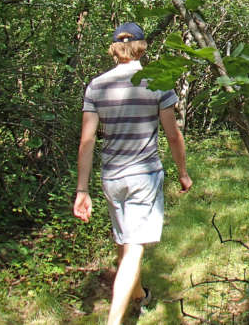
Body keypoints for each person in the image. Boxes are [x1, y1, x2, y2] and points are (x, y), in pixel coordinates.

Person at [73, 22, 192, 325]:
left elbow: (87, 141)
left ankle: (138, 295)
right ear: (141, 47)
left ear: (114, 48)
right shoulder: (156, 81)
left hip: (112, 176)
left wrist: (82, 189)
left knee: (123, 239)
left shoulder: (97, 86)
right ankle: (114, 321)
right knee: (134, 249)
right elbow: (173, 135)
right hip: (143, 176)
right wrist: (183, 172)